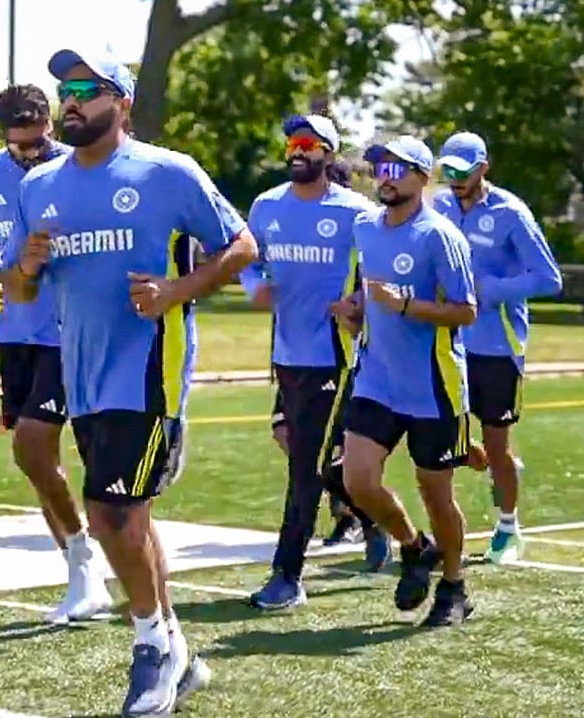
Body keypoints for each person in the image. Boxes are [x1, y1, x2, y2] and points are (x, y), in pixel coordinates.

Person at [2, 50, 258, 717]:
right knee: (129, 518)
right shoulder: (42, 186)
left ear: (125, 103)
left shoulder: (167, 172)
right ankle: (177, 650)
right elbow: (19, 285)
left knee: (110, 512)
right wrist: (26, 267)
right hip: (82, 375)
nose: (73, 100)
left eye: (88, 89)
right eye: (67, 90)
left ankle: (150, 649)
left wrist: (179, 289)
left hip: (148, 370)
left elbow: (243, 245)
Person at [0, 84, 112, 622]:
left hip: (70, 330)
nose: (33, 154)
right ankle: (82, 570)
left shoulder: (78, 168)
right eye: (21, 146)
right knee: (35, 460)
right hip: (16, 332)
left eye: (40, 141)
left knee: (33, 443)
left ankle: (97, 553)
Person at [244, 114, 390, 612]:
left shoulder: (356, 212)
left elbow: (385, 266)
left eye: (308, 144)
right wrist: (252, 285)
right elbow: (247, 256)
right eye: (292, 143)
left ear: (328, 153)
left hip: (334, 357)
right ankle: (378, 522)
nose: (297, 151)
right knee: (297, 445)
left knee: (305, 465)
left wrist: (359, 303)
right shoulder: (266, 206)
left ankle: (287, 575)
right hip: (286, 354)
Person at [342, 135, 478, 627]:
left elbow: (466, 311)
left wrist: (405, 305)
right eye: (380, 167)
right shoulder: (365, 229)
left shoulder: (439, 236)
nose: (385, 176)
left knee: (436, 493)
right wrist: (357, 310)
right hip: (376, 378)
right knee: (356, 479)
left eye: (398, 168)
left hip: (433, 386)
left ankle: (456, 585)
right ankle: (415, 546)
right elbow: (366, 290)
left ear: (423, 177)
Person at [432, 131, 562, 564]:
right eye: (447, 169)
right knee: (442, 436)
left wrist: (493, 290)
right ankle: (444, 531)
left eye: (462, 171)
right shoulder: (441, 207)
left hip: (498, 346)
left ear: (483, 168)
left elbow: (548, 278)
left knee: (498, 443)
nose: (453, 179)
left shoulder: (511, 213)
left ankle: (507, 528)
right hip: (450, 341)